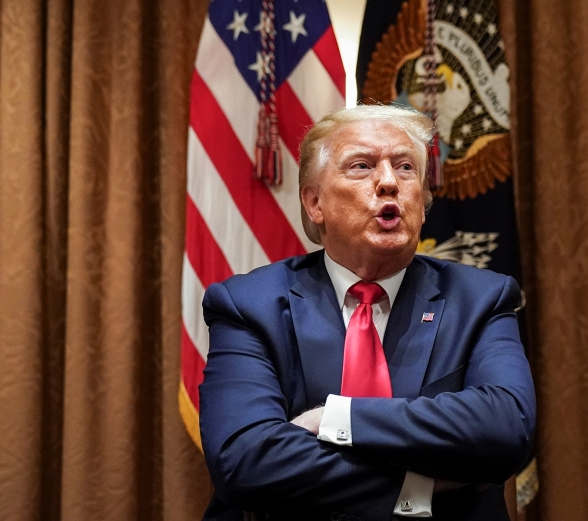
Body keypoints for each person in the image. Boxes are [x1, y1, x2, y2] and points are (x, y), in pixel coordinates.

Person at [199, 104, 535, 521]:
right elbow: (245, 462)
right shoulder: (249, 304)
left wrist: (337, 417)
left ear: (424, 202)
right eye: (362, 166)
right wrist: (421, 482)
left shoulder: (481, 299)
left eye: (406, 168)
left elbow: (505, 428)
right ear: (314, 202)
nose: (389, 182)